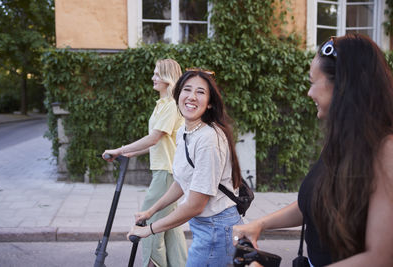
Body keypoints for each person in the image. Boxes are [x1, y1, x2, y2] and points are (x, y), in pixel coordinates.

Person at [233, 34, 393, 267]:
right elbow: (314, 201)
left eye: (311, 82)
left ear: (341, 86)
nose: (308, 93)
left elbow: (380, 258)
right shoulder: (341, 142)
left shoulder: (386, 151)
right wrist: (260, 224)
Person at [127, 69, 244, 266]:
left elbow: (195, 205)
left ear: (210, 103)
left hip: (217, 229)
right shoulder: (184, 131)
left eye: (200, 92)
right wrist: (151, 211)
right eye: (187, 89)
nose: (191, 96)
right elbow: (182, 182)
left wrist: (150, 229)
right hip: (206, 228)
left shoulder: (208, 139)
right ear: (178, 94)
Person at [102, 59, 187, 267]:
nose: (153, 78)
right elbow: (161, 141)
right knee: (170, 228)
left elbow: (154, 138)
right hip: (166, 172)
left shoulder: (171, 105)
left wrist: (120, 149)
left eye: (157, 74)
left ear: (168, 78)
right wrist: (132, 154)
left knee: (148, 225)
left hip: (166, 173)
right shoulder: (162, 105)